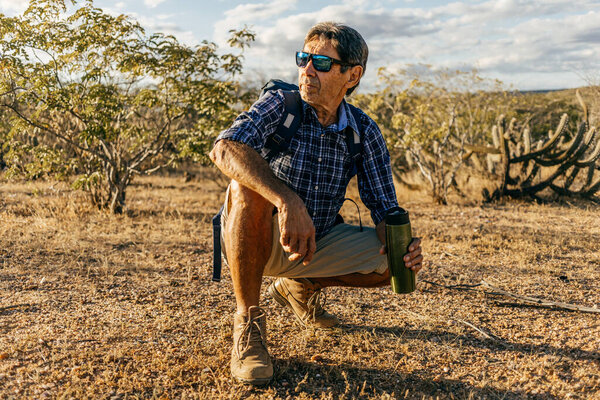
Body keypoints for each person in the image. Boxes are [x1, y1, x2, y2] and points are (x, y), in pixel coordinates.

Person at [209, 22, 423, 385]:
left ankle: (300, 285)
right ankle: (248, 324)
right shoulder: (282, 104)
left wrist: (403, 244)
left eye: (321, 63)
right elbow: (225, 147)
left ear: (351, 76)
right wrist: (287, 200)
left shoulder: (364, 131)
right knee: (246, 189)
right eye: (303, 58)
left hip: (315, 243)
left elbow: (386, 208)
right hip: (255, 240)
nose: (307, 70)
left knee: (394, 262)